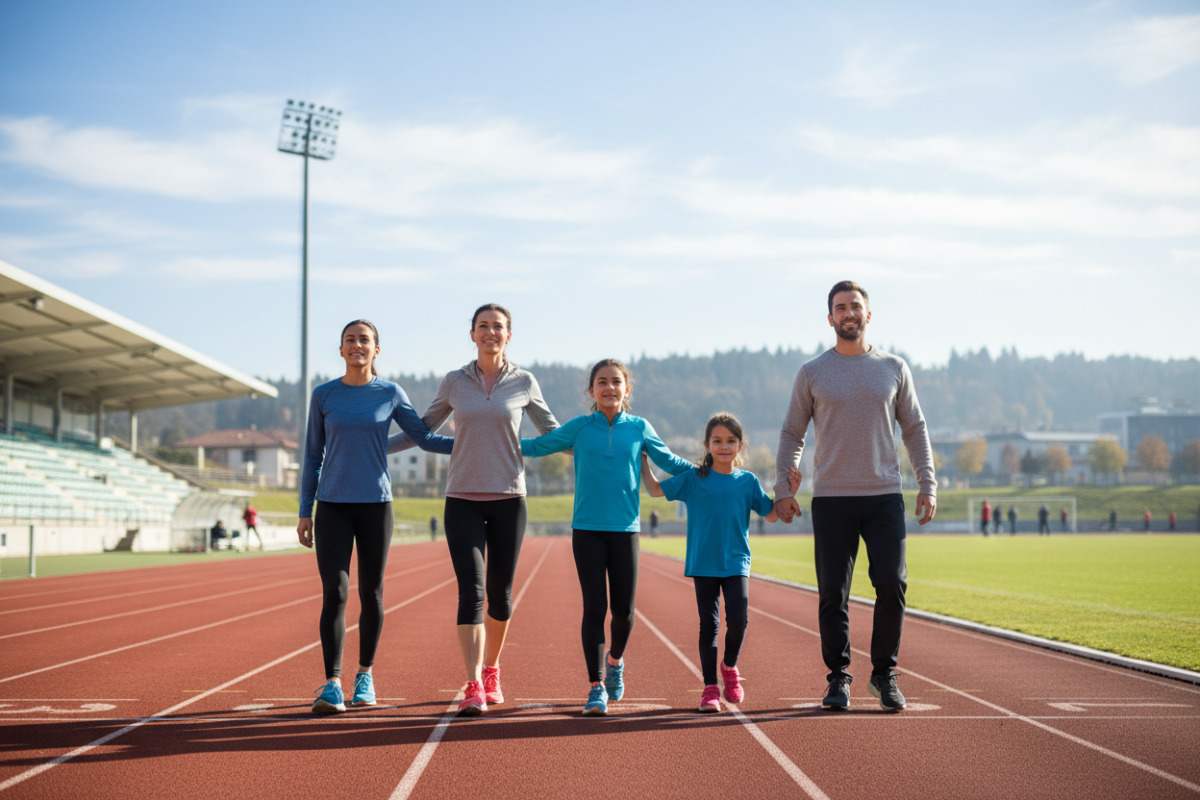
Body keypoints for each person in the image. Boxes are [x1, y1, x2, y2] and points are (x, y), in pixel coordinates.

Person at [387, 304, 558, 717]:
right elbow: (422, 431)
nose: (490, 333)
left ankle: (493, 668)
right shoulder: (454, 382)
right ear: (472, 334)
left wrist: (595, 443)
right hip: (461, 498)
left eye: (498, 327)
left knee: (499, 598)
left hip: (508, 499)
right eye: (483, 326)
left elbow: (553, 432)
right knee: (472, 592)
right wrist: (374, 445)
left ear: (508, 335)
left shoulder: (524, 381)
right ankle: (474, 682)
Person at [774, 281, 936, 714]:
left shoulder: (894, 368)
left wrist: (927, 482)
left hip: (884, 494)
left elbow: (915, 428)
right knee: (833, 593)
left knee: (892, 582)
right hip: (831, 498)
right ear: (830, 319)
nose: (849, 313)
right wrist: (784, 487)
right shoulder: (812, 372)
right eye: (840, 307)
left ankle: (884, 673)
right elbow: (793, 432)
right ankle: (839, 677)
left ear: (869, 314)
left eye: (855, 306)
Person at [298, 319, 454, 715]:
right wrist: (305, 511)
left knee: (372, 593)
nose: (357, 345)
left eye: (364, 340)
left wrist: (475, 441)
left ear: (376, 350)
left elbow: (424, 437)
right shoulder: (324, 395)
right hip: (332, 506)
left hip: (375, 506)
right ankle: (332, 682)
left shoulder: (390, 393)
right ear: (340, 349)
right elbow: (312, 456)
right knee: (335, 591)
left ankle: (364, 674)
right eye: (349, 340)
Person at [521, 358, 692, 716]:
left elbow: (672, 462)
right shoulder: (580, 428)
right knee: (594, 607)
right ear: (591, 390)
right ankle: (595, 686)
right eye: (602, 382)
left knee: (624, 611)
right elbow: (539, 446)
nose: (609, 387)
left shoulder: (640, 428)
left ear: (626, 389)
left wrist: (712, 470)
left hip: (625, 530)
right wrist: (492, 439)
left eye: (616, 381)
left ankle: (615, 661)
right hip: (586, 530)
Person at [643, 413, 795, 713]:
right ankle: (710, 688)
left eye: (730, 441)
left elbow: (773, 514)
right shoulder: (694, 479)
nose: (723, 446)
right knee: (709, 625)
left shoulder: (748, 482)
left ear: (740, 445)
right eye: (717, 441)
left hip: (737, 561)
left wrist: (790, 490)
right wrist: (643, 462)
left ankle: (729, 667)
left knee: (739, 620)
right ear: (706, 445)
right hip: (703, 563)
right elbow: (655, 489)